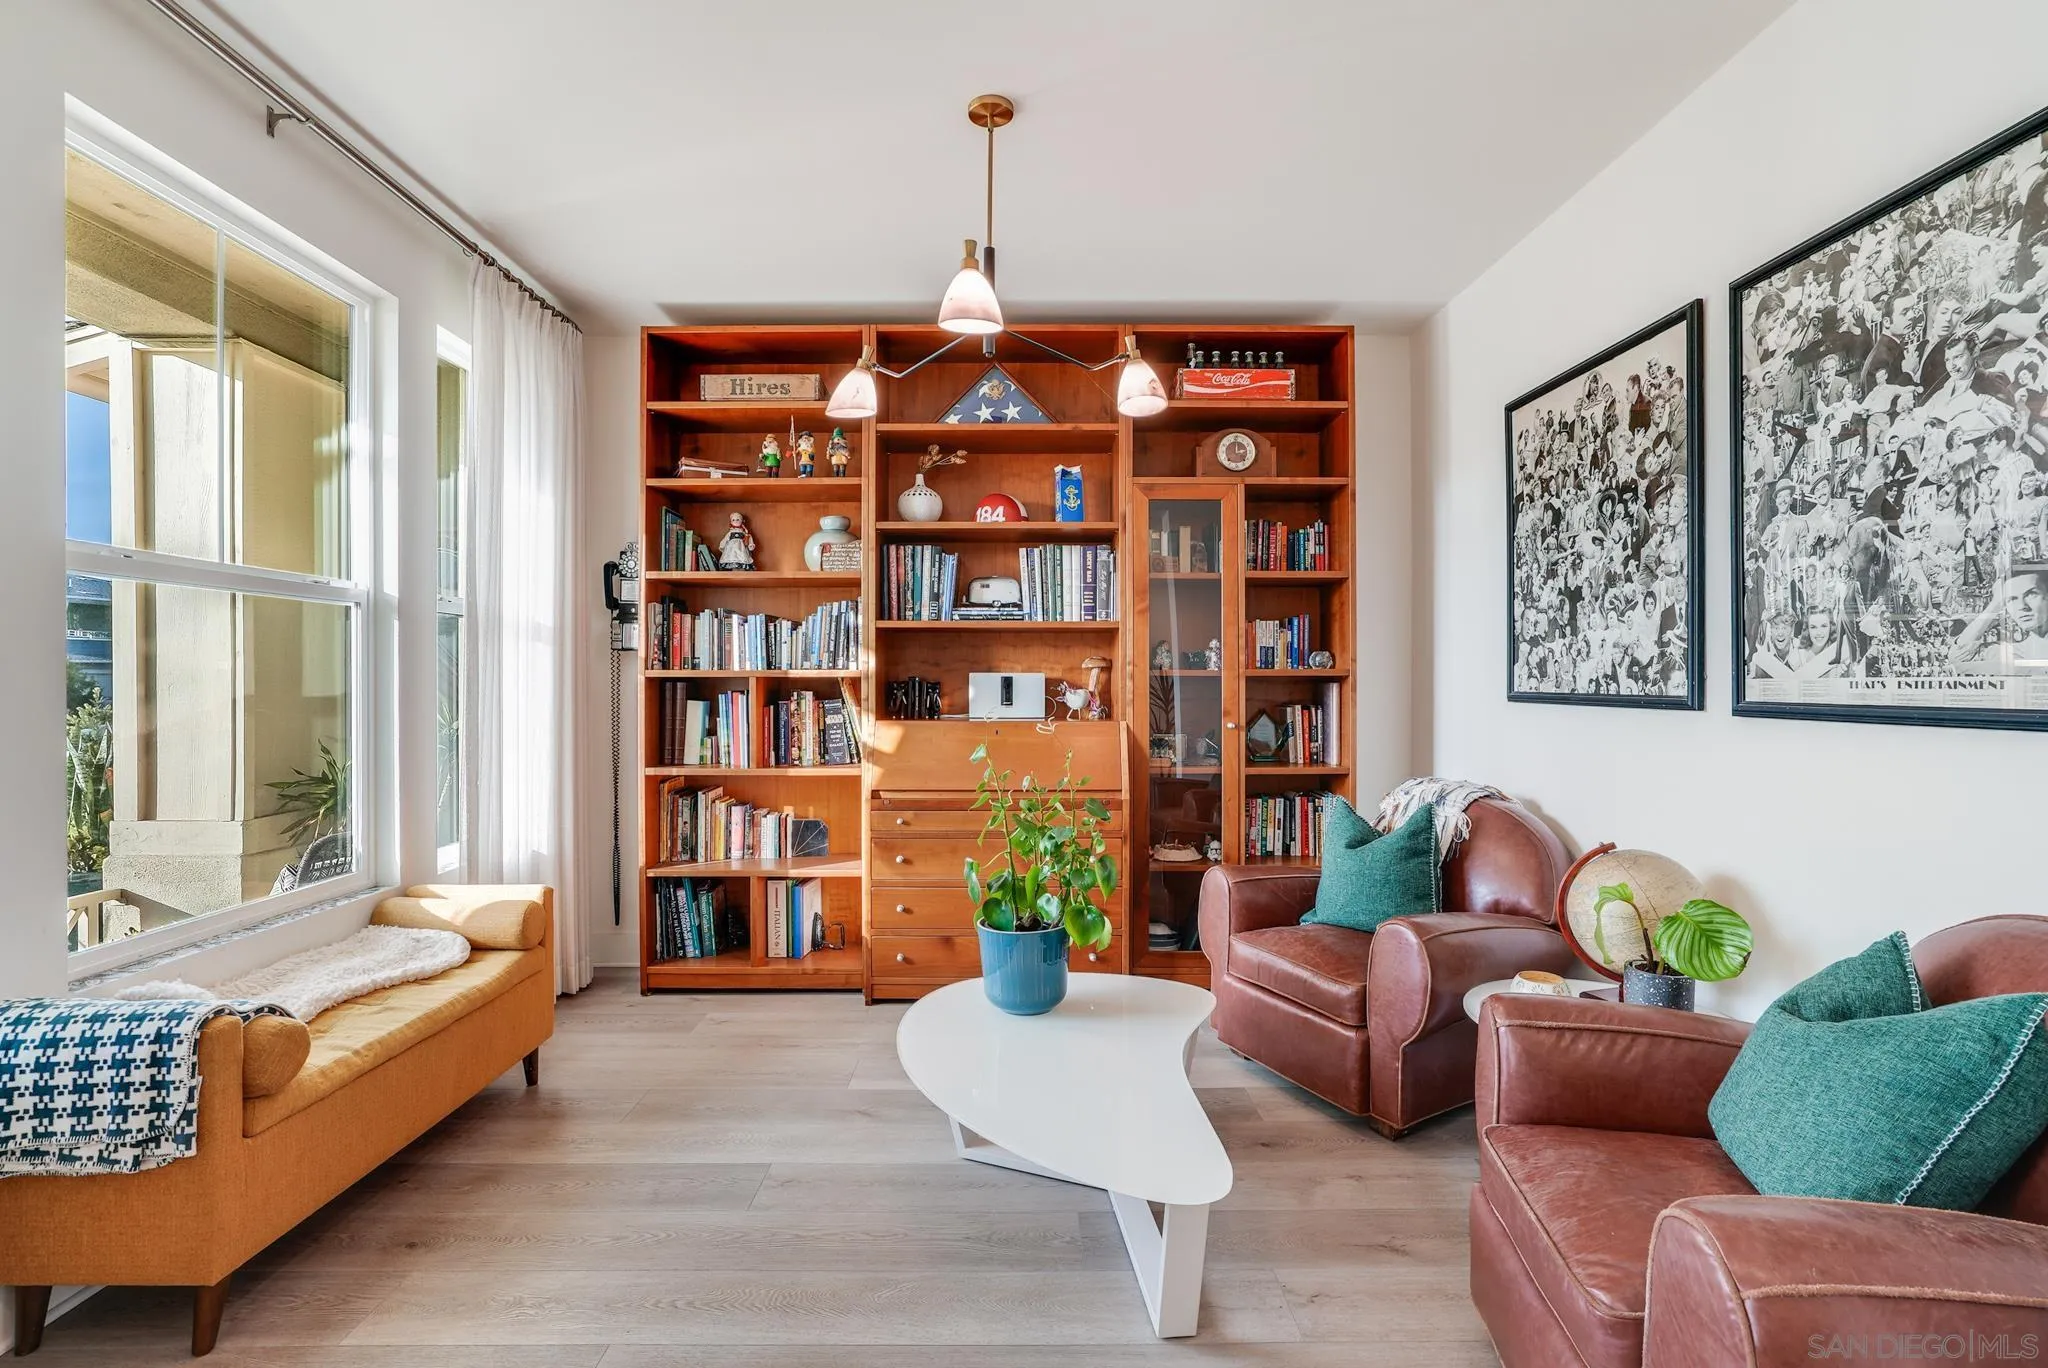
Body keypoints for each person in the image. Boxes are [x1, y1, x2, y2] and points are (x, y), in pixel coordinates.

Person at [1948, 564, 2048, 668]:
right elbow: (1957, 657)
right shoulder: (2016, 653)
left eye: (2031, 594)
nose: (2022, 606)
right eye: (2012, 599)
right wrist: (1995, 604)